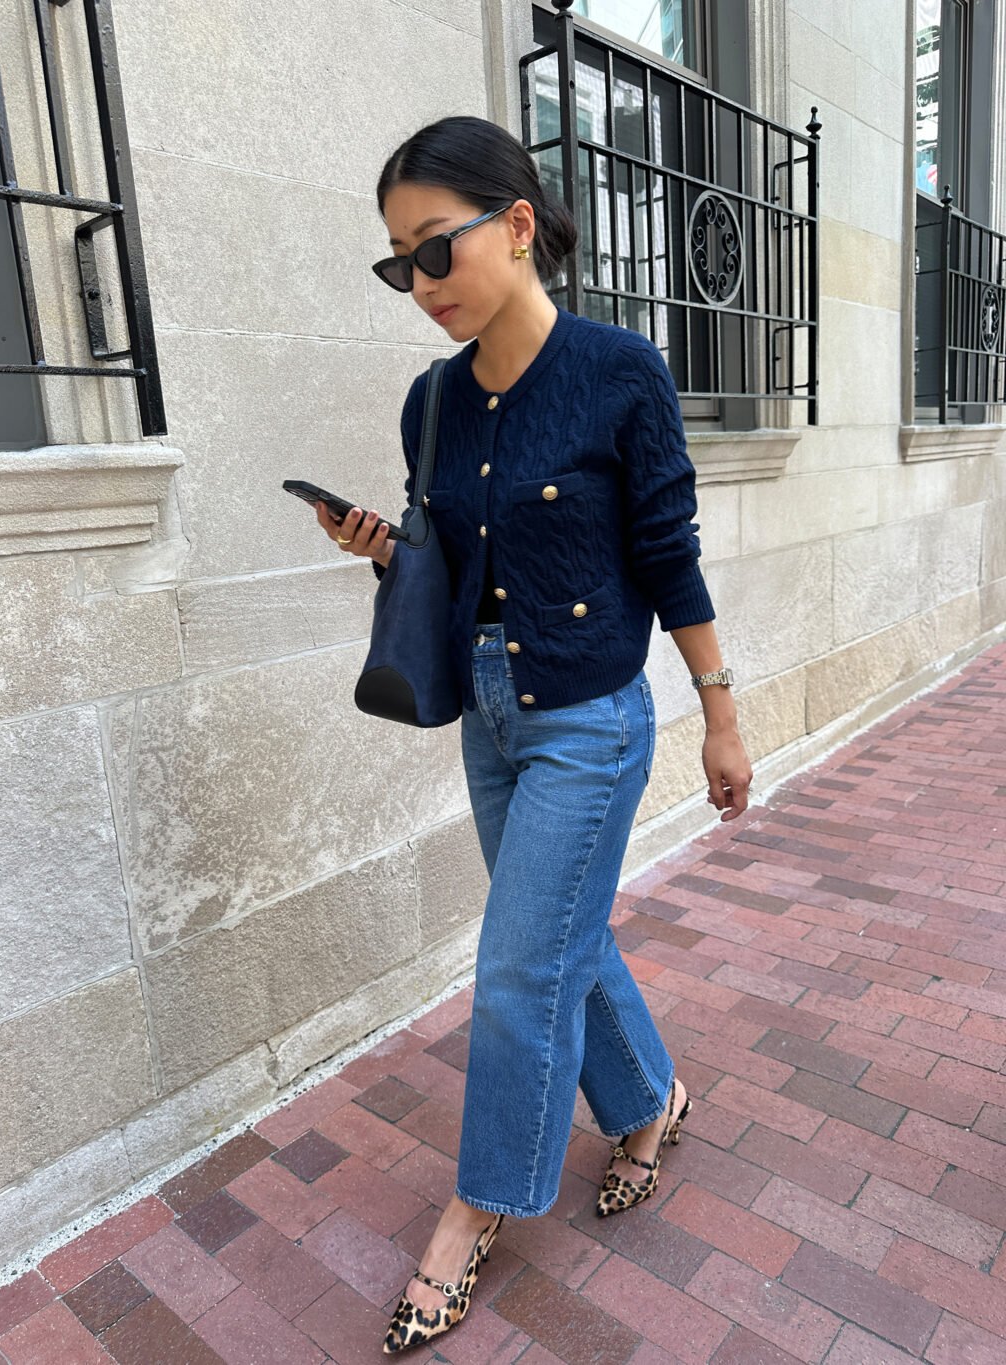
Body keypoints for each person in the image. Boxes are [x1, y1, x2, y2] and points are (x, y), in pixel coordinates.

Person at [312, 115, 753, 1353]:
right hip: (489, 715)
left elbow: (666, 554)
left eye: (433, 248)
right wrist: (387, 555)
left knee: (515, 970)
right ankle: (649, 1100)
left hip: (589, 725)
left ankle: (477, 1208)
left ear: (515, 226)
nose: (420, 283)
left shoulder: (620, 372)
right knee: (562, 937)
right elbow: (460, 570)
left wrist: (720, 715)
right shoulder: (431, 404)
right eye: (397, 262)